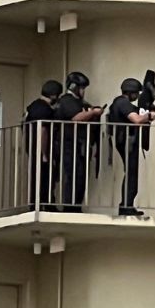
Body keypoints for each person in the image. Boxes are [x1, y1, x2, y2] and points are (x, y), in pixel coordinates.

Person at [108, 78, 155, 217]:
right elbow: (136, 120)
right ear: (130, 92)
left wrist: (149, 112)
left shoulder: (122, 103)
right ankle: (126, 206)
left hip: (128, 141)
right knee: (131, 174)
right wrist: (149, 116)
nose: (137, 96)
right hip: (127, 141)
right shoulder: (122, 103)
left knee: (132, 174)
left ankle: (128, 205)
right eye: (136, 93)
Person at [53, 71, 103, 212]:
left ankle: (76, 206)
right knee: (73, 176)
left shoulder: (80, 102)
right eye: (82, 88)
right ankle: (70, 207)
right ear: (74, 87)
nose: (83, 91)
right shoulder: (67, 101)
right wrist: (93, 113)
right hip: (70, 144)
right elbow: (76, 118)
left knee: (81, 177)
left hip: (81, 144)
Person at [22, 80, 61, 211]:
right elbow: (43, 131)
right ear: (53, 95)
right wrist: (44, 153)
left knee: (36, 177)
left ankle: (35, 205)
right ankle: (47, 205)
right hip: (42, 150)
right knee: (46, 178)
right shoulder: (45, 110)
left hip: (32, 148)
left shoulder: (33, 106)